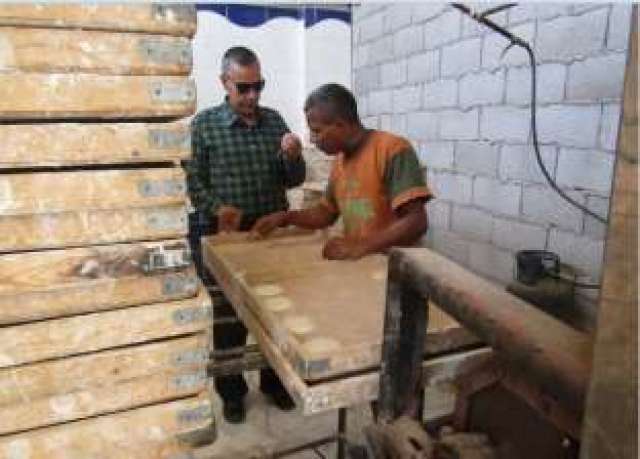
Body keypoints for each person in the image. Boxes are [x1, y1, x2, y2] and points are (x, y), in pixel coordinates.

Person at [186, 46, 305, 423]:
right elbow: (192, 181)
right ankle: (232, 392)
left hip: (269, 232)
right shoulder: (204, 125)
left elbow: (294, 180)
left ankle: (274, 382)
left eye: (258, 86)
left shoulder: (275, 122)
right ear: (225, 82)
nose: (253, 96)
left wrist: (292, 157)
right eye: (244, 88)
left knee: (275, 313)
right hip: (225, 233)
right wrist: (217, 208)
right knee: (229, 319)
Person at [251, 83, 432, 259]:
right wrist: (285, 218)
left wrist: (361, 246)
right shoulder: (340, 160)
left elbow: (416, 222)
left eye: (316, 131)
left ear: (341, 125)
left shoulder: (392, 149)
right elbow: (325, 214)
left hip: (393, 268)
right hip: (363, 267)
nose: (312, 139)